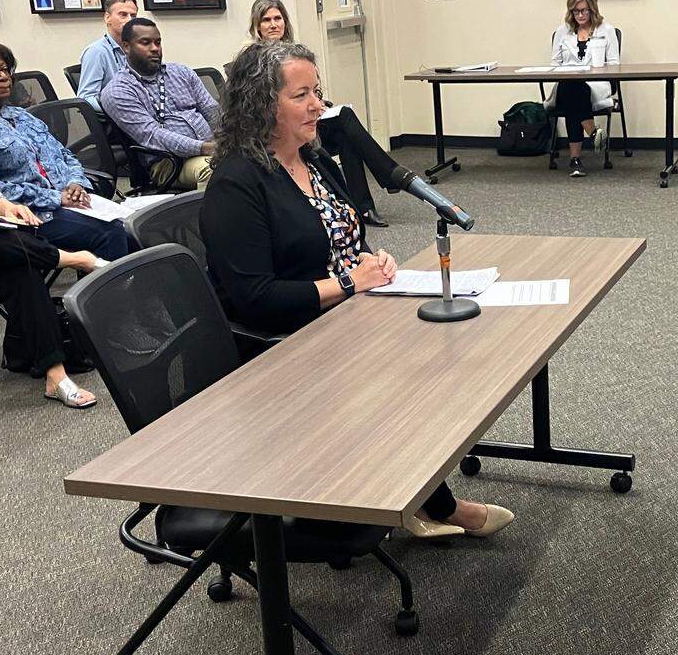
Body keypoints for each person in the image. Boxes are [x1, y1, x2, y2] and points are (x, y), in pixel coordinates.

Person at [201, 40, 513, 539]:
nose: (317, 106)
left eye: (317, 92)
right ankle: (434, 504)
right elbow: (254, 299)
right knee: (412, 374)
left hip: (351, 311)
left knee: (450, 351)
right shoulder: (237, 185)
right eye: (301, 95)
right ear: (262, 105)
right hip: (288, 342)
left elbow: (348, 238)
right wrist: (347, 282)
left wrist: (372, 261)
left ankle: (414, 492)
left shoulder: (315, 160)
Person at [0, 134, 102, 408]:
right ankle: (72, 259)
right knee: (0, 245)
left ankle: (56, 375)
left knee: (17, 262)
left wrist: (6, 207)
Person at [0, 41, 129, 260]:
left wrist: (75, 183)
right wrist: (57, 198)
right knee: (109, 233)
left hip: (69, 202)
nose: (2, 76)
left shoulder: (22, 116)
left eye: (5, 69)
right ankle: (105, 293)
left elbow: (65, 155)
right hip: (28, 214)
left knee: (134, 227)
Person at [247, 0, 393, 227]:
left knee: (345, 130)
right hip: (280, 133)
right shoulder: (252, 62)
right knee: (345, 123)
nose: (273, 24)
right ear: (257, 25)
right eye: (266, 20)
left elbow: (313, 90)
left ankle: (363, 207)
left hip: (305, 122)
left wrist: (319, 102)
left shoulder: (296, 53)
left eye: (278, 18)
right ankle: (385, 177)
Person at [101, 18, 218, 190]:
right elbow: (152, 136)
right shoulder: (118, 91)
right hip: (169, 162)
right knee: (215, 170)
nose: (155, 48)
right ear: (126, 47)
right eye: (145, 43)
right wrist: (205, 148)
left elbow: (211, 110)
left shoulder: (182, 72)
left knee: (255, 158)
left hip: (210, 148)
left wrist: (229, 139)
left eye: (158, 42)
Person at [545, 0, 619, 178]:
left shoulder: (606, 30)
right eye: (575, 11)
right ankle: (594, 133)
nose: (579, 15)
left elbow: (614, 64)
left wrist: (595, 70)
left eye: (583, 10)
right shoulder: (563, 31)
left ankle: (575, 159)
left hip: (595, 84)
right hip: (566, 83)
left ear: (592, 9)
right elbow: (555, 63)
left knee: (575, 92)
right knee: (572, 85)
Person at [77, 0, 138, 112]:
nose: (130, 20)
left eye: (133, 16)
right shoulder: (97, 51)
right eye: (123, 15)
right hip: (118, 118)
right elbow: (86, 98)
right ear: (107, 18)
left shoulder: (136, 48)